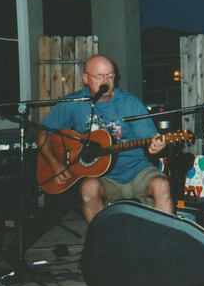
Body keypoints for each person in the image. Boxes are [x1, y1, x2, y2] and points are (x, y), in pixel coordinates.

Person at [36, 55, 172, 223]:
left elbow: (149, 136)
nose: (106, 80)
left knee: (162, 187)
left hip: (137, 171)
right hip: (102, 177)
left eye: (110, 75)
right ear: (86, 78)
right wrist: (54, 164)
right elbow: (42, 132)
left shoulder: (129, 103)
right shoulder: (74, 102)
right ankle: (102, 241)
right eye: (99, 76)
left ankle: (164, 243)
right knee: (88, 190)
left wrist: (155, 144)